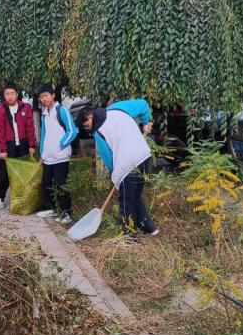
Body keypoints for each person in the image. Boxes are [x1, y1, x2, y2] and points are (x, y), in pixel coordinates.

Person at [75, 99, 159, 236]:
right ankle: (149, 227)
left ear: (90, 117)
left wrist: (116, 175)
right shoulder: (118, 108)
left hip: (127, 166)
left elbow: (108, 159)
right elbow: (143, 105)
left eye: (87, 125)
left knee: (126, 202)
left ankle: (129, 235)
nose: (89, 128)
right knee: (135, 195)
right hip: (144, 156)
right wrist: (146, 122)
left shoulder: (98, 131)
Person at [0, 83, 36, 211]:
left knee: (23, 173)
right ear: (4, 95)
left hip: (23, 144)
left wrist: (32, 145)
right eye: (7, 94)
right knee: (4, 173)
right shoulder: (1, 110)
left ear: (17, 94)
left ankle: (23, 198)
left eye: (12, 93)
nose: (9, 96)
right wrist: (2, 150)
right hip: (8, 146)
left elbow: (30, 128)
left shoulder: (25, 108)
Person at [34, 84, 78, 224]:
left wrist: (61, 144)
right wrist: (43, 153)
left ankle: (67, 213)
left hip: (61, 157)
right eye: (41, 97)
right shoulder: (45, 113)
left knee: (61, 185)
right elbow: (44, 134)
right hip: (48, 158)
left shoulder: (61, 110)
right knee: (46, 184)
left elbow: (73, 130)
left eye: (46, 95)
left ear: (53, 95)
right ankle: (51, 208)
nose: (44, 99)